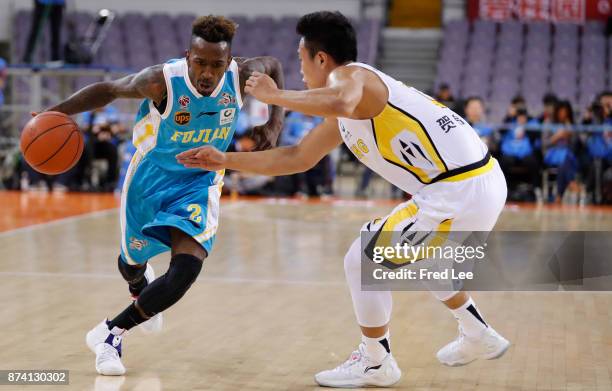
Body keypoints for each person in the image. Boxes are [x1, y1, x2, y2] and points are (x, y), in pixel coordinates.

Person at [177, 11, 509, 388]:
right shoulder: (348, 105)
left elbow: (339, 99)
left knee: (363, 259)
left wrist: (274, 96)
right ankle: (477, 331)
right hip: (470, 185)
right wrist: (225, 161)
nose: (299, 69)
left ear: (321, 59)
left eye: (301, 58)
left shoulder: (352, 78)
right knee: (425, 257)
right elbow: (297, 158)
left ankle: (375, 361)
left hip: (458, 189)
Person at [35, 15, 284, 375]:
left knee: (186, 269)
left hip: (199, 182)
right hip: (149, 179)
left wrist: (274, 121)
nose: (207, 73)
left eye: (216, 65)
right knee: (130, 263)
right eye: (200, 62)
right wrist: (51, 114)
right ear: (188, 56)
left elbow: (274, 65)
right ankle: (139, 286)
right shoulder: (160, 81)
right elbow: (107, 90)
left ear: (229, 63)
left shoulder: (242, 76)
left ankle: (110, 333)